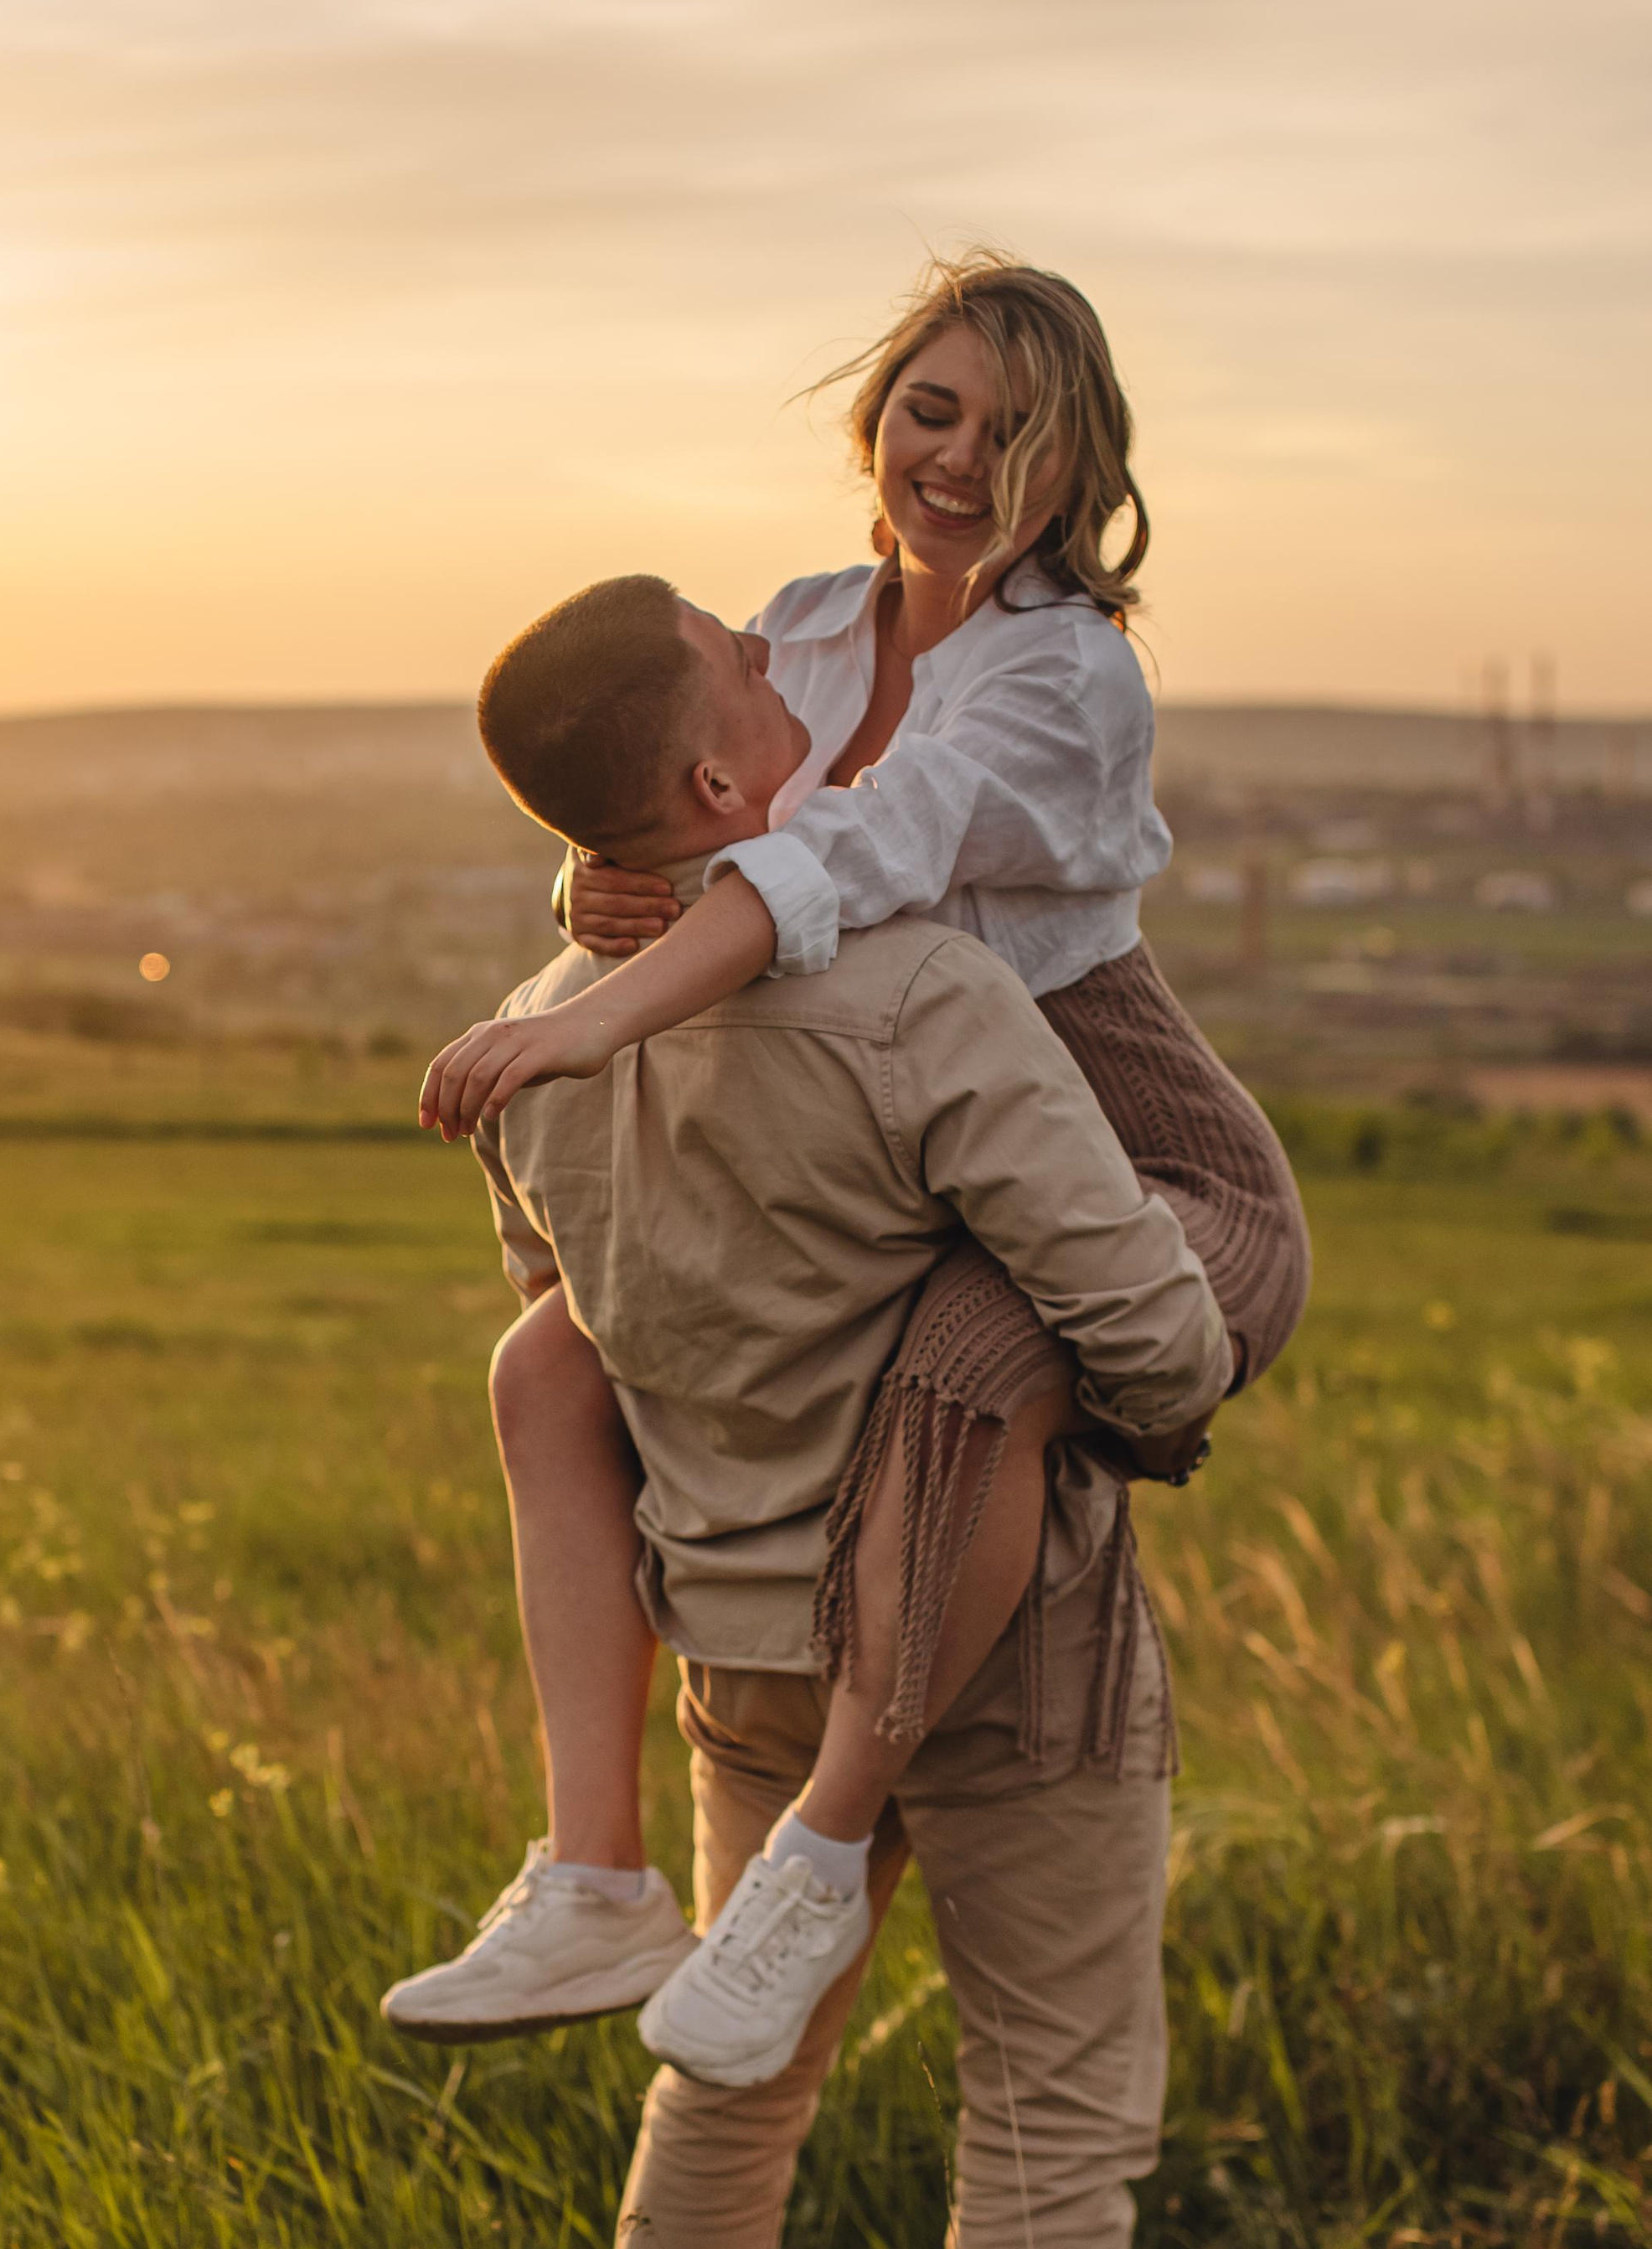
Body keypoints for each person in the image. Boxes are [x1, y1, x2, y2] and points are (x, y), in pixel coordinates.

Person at [383, 570, 1232, 2249]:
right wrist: (1105, 1382)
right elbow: (1157, 1338)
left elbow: (575, 1330)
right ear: (711, 778)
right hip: (1009, 1653)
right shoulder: (922, 994)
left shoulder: (535, 1038)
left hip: (740, 1651)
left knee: (729, 2093)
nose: (788, 666)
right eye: (746, 662)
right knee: (1046, 2118)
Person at [389, 255, 1307, 2087]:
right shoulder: (801, 624)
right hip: (916, 1146)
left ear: (1079, 466)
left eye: (1012, 432)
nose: (956, 460)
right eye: (929, 410)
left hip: (1133, 1147)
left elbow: (846, 858)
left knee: (975, 1356)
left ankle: (821, 1846)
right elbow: (675, 794)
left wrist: (584, 1020)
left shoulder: (1062, 673)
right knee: (544, 1362)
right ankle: (591, 1874)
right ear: (874, 418)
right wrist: (588, 888)